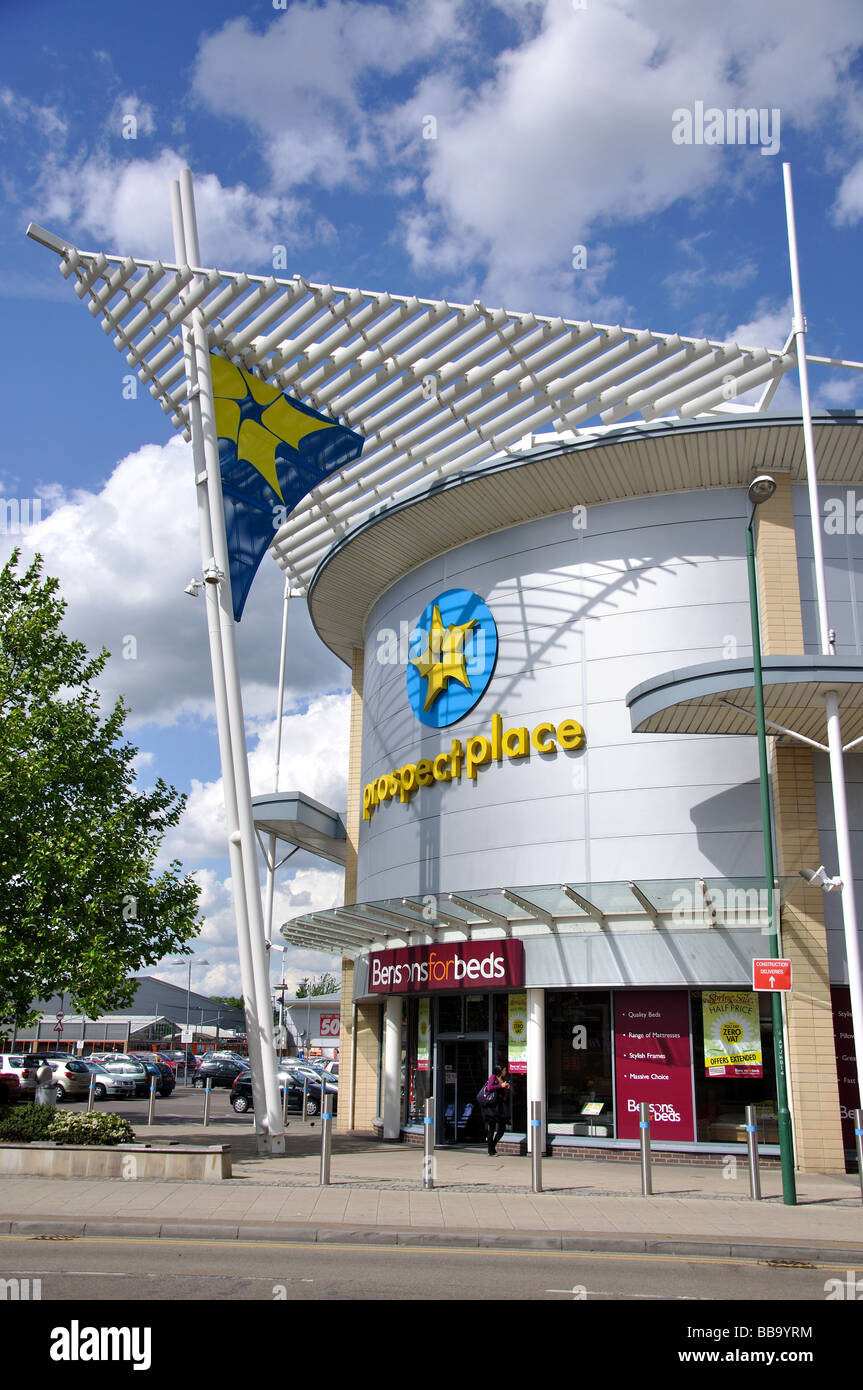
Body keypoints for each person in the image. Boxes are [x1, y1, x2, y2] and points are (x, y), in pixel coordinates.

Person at [478, 1063, 510, 1156]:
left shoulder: (503, 1079)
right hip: (492, 1107)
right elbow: (489, 1088)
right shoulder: (493, 1077)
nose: (505, 1072)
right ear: (500, 1071)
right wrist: (501, 1086)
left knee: (502, 1128)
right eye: (504, 1070)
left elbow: (504, 1095)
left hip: (500, 1106)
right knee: (491, 1128)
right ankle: (490, 1149)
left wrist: (506, 1089)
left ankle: (493, 1145)